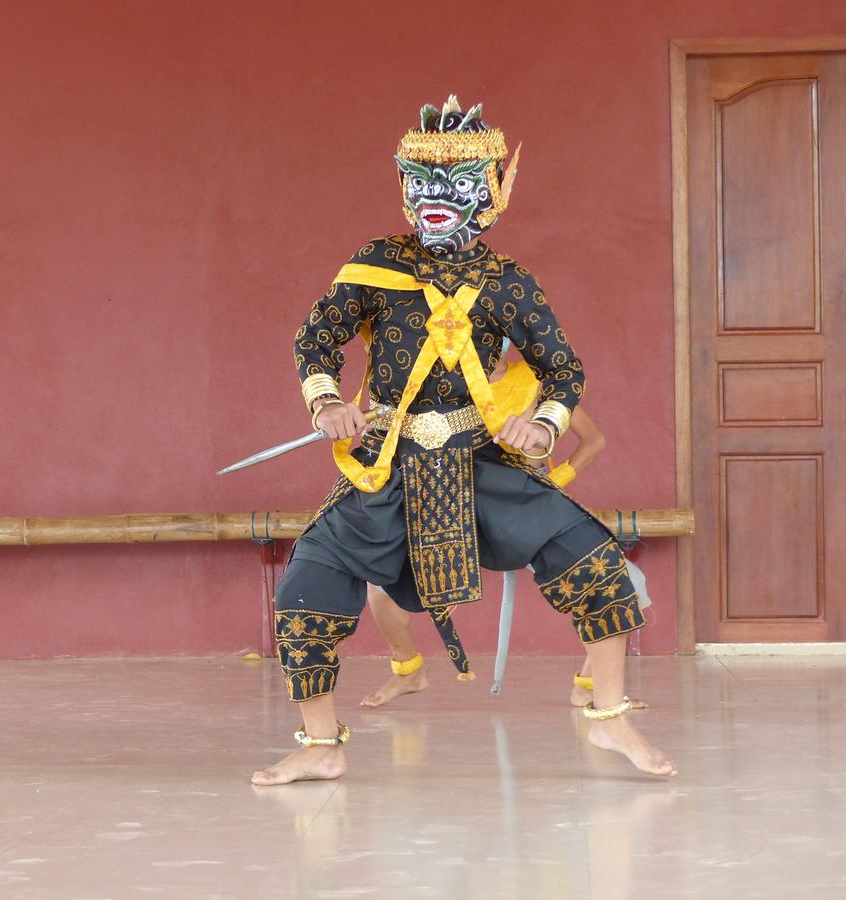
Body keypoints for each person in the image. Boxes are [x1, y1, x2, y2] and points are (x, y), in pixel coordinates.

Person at [251, 97, 675, 786]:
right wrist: (326, 402)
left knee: (598, 562)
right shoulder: (376, 264)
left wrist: (543, 425)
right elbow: (315, 339)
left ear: (490, 195)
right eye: (421, 183)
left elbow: (564, 370)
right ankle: (321, 744)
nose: (435, 199)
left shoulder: (510, 282)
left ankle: (611, 718)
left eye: (454, 185)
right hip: (386, 462)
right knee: (305, 586)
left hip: (482, 462)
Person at [357, 343, 649, 710]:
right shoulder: (444, 389)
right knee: (379, 585)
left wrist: (552, 482)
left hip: (525, 510)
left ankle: (590, 687)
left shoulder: (537, 384)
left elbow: (594, 441)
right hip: (455, 506)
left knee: (628, 584)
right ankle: (408, 671)